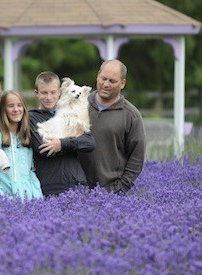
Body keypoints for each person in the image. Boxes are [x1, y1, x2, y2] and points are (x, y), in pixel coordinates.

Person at [79, 59, 146, 193]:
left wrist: (119, 188)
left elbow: (137, 157)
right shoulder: (79, 104)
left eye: (112, 81)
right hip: (75, 191)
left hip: (110, 194)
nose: (106, 84)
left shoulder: (131, 115)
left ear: (122, 83)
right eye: (103, 78)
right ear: (98, 75)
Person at [29, 71, 96, 196]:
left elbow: (90, 143)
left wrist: (62, 143)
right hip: (51, 185)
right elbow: (43, 148)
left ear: (60, 92)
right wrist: (75, 140)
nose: (49, 97)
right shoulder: (31, 118)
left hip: (78, 182)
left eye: (53, 92)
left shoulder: (72, 114)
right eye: (44, 92)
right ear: (36, 93)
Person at [0, 90, 43, 200]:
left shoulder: (26, 134)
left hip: (27, 196)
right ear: (4, 109)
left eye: (19, 105)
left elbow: (30, 171)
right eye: (10, 106)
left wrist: (37, 197)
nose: (16, 110)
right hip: (4, 197)